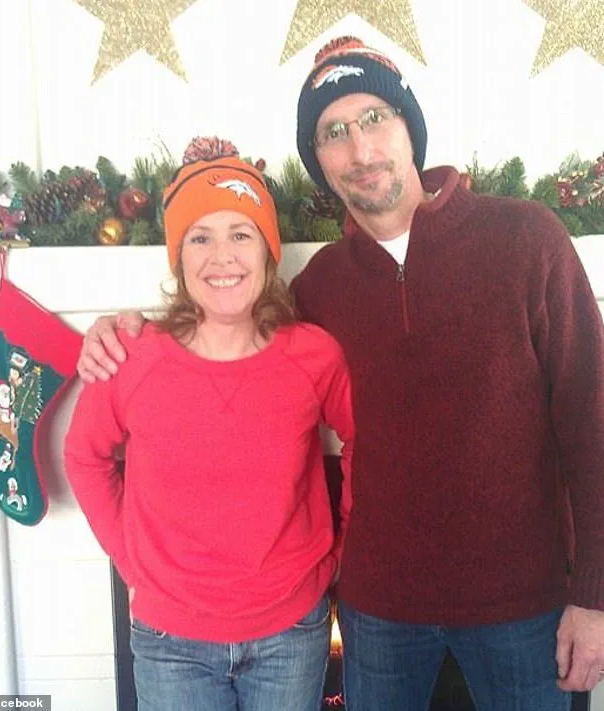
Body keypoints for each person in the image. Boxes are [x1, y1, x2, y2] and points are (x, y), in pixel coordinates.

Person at [76, 37, 604, 711]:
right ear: (319, 162)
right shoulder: (320, 287)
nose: (359, 148)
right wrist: (120, 328)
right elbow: (227, 334)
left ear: (409, 127)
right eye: (333, 132)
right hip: (378, 613)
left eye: (374, 117)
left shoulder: (527, 239)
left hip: (522, 606)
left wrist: (595, 594)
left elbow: (592, 420)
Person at [65, 137, 354, 711]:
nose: (222, 256)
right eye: (200, 237)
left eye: (241, 234)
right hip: (170, 641)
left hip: (290, 633)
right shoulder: (130, 354)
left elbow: (363, 443)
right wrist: (131, 561)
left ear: (268, 251)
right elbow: (83, 457)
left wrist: (342, 547)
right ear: (179, 257)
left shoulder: (314, 355)